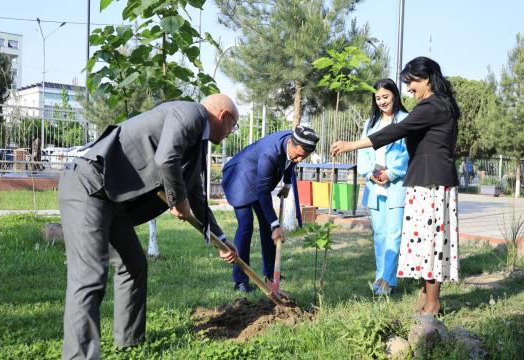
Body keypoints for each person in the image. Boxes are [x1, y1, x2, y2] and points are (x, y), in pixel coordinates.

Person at [58, 94, 239, 359]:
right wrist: (178, 200)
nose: (230, 133)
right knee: (88, 277)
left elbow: (197, 197)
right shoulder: (191, 114)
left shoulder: (196, 141)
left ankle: (129, 341)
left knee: (134, 264)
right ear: (223, 116)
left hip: (110, 195)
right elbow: (166, 158)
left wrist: (221, 239)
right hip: (89, 185)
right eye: (232, 126)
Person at [331, 57, 460, 318]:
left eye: (411, 82)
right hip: (430, 179)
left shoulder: (431, 106)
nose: (409, 88)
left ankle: (432, 306)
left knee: (430, 245)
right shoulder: (439, 105)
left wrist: (351, 145)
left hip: (431, 182)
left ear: (426, 79)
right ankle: (426, 300)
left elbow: (396, 131)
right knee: (426, 243)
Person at [222, 126, 320, 292]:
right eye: (298, 155)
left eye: (303, 157)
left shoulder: (295, 141)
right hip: (240, 177)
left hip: (258, 177)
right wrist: (276, 225)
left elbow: (290, 162)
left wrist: (288, 184)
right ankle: (240, 281)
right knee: (246, 225)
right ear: (291, 143)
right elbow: (263, 191)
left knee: (268, 225)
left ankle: (270, 273)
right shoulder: (270, 153)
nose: (299, 159)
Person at [357, 78, 409, 295]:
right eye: (377, 98)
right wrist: (370, 173)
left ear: (395, 95)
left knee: (394, 233)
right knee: (379, 233)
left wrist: (392, 173)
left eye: (385, 97)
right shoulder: (371, 124)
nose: (381, 102)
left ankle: (388, 279)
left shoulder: (406, 120)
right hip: (375, 185)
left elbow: (409, 153)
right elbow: (363, 152)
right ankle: (380, 277)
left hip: (396, 185)